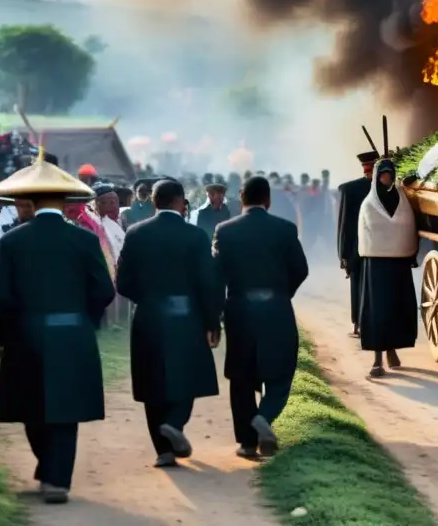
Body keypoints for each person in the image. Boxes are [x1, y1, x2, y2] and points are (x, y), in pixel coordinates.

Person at [0, 154, 115, 504]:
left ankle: (48, 466)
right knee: (66, 408)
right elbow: (104, 291)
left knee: (31, 405)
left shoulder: (12, 241)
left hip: (27, 334)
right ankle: (56, 479)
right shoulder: (85, 241)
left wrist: (7, 334)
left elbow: (1, 296)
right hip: (73, 333)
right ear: (63, 201)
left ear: (32, 199)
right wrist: (82, 320)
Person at [116, 179, 221, 468]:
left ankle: (163, 450)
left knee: (152, 380)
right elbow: (207, 283)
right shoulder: (196, 236)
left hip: (149, 317)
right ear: (180, 201)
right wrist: (212, 321)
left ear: (153, 202)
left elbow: (123, 283)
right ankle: (175, 423)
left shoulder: (135, 234)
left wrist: (149, 299)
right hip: (187, 316)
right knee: (187, 375)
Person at [212, 175, 309, 458]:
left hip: (240, 310)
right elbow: (301, 270)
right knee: (281, 371)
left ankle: (246, 442)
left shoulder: (224, 230)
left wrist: (215, 315)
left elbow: (216, 277)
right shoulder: (285, 229)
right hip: (276, 309)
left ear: (241, 199)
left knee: (241, 376)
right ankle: (265, 417)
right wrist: (281, 294)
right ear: (268, 200)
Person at [357, 159, 419, 378]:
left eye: (389, 173)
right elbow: (367, 233)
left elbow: (408, 225)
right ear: (375, 177)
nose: (386, 177)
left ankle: (392, 350)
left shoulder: (402, 199)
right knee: (378, 312)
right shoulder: (368, 204)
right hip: (376, 266)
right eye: (382, 174)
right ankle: (377, 359)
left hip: (399, 264)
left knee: (396, 309)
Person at [336, 151, 379, 337]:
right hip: (382, 246)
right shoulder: (388, 189)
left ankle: (359, 324)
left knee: (358, 286)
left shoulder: (349, 189)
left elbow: (344, 226)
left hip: (357, 248)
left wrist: (343, 254)